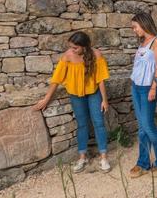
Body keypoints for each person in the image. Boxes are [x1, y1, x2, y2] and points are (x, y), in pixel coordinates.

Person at [33, 31, 111, 173]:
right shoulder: (68, 56)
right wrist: (46, 99)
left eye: (75, 47)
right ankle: (82, 157)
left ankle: (104, 157)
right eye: (71, 47)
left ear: (84, 46)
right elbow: (56, 79)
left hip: (94, 93)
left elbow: (101, 79)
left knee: (99, 122)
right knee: (81, 125)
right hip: (76, 95)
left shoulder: (96, 55)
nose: (72, 50)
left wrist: (104, 100)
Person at [129, 12, 157, 178]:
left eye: (135, 27)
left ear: (144, 24)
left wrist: (154, 88)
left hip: (148, 87)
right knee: (142, 128)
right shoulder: (143, 42)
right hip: (136, 86)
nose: (134, 30)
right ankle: (143, 163)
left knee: (148, 126)